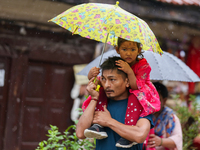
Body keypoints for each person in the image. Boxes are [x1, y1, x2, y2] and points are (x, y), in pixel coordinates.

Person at [82, 38, 160, 148]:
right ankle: (98, 126)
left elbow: (135, 87)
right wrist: (91, 77)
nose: (128, 53)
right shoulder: (118, 64)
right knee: (101, 92)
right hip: (129, 89)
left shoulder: (142, 65)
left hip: (139, 91)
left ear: (139, 50)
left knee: (134, 95)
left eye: (133, 49)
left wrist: (129, 71)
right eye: (124, 49)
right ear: (117, 50)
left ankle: (128, 136)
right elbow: (80, 133)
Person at [145, 82, 182, 150]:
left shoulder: (171, 118)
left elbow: (177, 140)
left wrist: (160, 141)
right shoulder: (144, 114)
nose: (153, 101)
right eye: (150, 97)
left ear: (164, 101)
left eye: (156, 98)